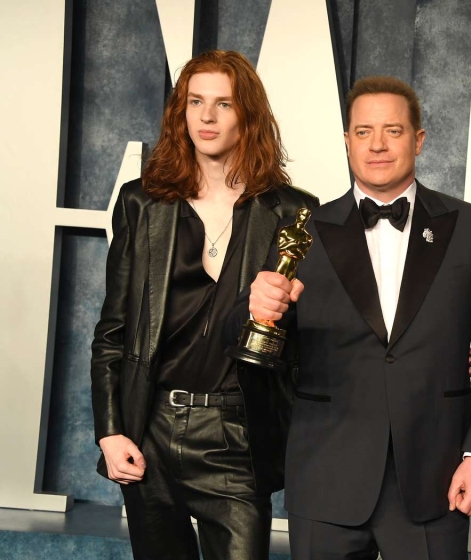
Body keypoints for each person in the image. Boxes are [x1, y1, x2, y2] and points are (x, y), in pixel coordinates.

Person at [226, 75, 471, 560]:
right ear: (347, 141)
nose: (377, 144)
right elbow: (257, 337)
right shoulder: (302, 231)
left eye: (393, 131)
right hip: (324, 476)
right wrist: (254, 308)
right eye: (363, 132)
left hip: (435, 479)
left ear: (418, 139)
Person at [90, 50, 318, 560]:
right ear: (181, 111)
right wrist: (110, 430)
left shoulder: (293, 212)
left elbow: (309, 341)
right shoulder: (142, 203)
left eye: (223, 103)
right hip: (151, 427)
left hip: (237, 433)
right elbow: (113, 330)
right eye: (195, 101)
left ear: (249, 116)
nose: (207, 117)